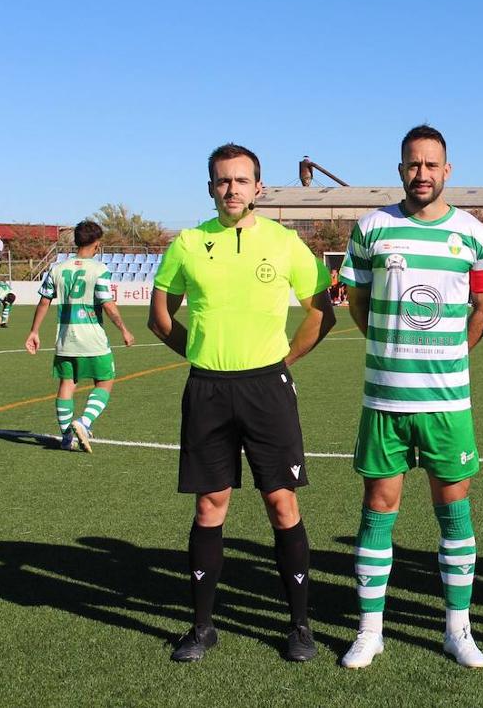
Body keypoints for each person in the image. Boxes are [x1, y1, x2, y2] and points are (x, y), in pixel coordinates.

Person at [148, 143, 334, 663]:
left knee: (282, 503)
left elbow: (321, 312)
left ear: (259, 187)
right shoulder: (186, 243)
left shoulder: (284, 242)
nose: (232, 189)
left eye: (241, 180)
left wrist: (284, 362)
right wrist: (202, 355)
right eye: (222, 181)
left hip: (266, 388)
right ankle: (202, 627)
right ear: (210, 187)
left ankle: (299, 625)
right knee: (210, 505)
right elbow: (160, 317)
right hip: (208, 389)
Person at [336, 125, 483, 670]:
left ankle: (458, 630)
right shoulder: (371, 229)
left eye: (432, 165)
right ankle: (369, 630)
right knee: (378, 510)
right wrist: (390, 345)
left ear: (447, 170)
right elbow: (358, 303)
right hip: (385, 399)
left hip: (447, 402)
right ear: (400, 168)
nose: (422, 173)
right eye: (413, 164)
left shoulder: (475, 236)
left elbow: (482, 310)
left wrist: (452, 354)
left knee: (454, 512)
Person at [25, 221, 135, 451]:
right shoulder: (99, 269)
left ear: (76, 241)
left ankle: (66, 438)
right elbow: (107, 303)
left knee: (67, 383)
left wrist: (34, 331)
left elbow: (44, 301)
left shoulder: (57, 268)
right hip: (92, 338)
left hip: (65, 339)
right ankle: (84, 422)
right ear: (97, 244)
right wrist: (123, 329)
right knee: (105, 381)